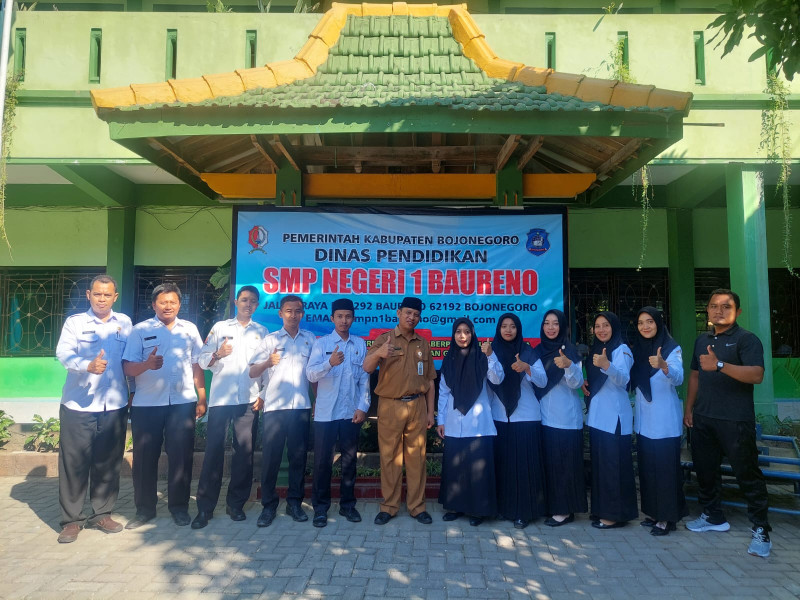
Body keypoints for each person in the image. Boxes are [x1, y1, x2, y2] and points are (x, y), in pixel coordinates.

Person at [683, 289, 771, 557]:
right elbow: (695, 376)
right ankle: (713, 516)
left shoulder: (747, 339)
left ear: (738, 312)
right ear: (707, 310)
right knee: (706, 472)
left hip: (736, 421)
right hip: (704, 418)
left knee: (748, 475)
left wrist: (720, 364)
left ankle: (761, 530)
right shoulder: (702, 340)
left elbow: (756, 375)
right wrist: (689, 409)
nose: (718, 311)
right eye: (713, 306)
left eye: (726, 306)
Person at [54, 274, 132, 543]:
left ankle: (102, 513)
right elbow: (63, 354)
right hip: (79, 405)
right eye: (97, 294)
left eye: (107, 295)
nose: (102, 299)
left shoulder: (125, 323)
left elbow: (130, 360)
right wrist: (86, 365)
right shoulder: (75, 323)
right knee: (74, 463)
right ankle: (72, 520)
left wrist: (134, 389)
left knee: (108, 462)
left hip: (114, 405)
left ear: (115, 297)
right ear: (88, 295)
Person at [122, 282, 207, 529]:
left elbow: (197, 364)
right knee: (144, 459)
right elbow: (127, 367)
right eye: (163, 302)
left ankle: (179, 508)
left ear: (179, 304)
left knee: (181, 457)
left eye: (172, 302)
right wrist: (146, 365)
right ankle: (144, 510)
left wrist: (202, 396)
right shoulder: (140, 330)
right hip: (147, 404)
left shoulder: (189, 329)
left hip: (182, 402)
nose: (168, 306)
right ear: (154, 305)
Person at [191, 285, 268, 529]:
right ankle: (205, 508)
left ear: (257, 305)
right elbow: (202, 360)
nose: (248, 304)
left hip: (248, 400)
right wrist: (218, 354)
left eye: (252, 301)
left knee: (244, 453)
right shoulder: (220, 328)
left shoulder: (262, 332)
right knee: (213, 452)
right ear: (236, 302)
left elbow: (266, 367)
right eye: (244, 300)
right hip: (221, 401)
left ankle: (236, 505)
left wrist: (263, 394)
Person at [363, 296, 436, 526]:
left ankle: (417, 507)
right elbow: (367, 367)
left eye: (416, 315)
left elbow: (430, 381)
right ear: (398, 313)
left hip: (417, 405)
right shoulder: (384, 339)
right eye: (408, 313)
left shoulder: (423, 344)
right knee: (390, 458)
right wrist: (379, 354)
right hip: (390, 405)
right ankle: (389, 507)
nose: (411, 318)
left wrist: (430, 412)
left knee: (417, 459)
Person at [248, 294, 315, 527]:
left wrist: (316, 401)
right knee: (271, 459)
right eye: (288, 311)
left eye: (297, 311)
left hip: (301, 407)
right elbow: (252, 372)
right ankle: (268, 506)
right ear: (280, 313)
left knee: (298, 458)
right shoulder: (270, 340)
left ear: (302, 313)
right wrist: (268, 362)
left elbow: (314, 374)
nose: (293, 315)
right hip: (275, 408)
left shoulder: (310, 339)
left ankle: (294, 503)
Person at [305, 298, 370, 528]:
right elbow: (310, 374)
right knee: (322, 462)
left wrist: (363, 407)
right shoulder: (321, 344)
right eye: (340, 316)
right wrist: (329, 363)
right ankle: (320, 508)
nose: (344, 321)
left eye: (348, 316)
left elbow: (364, 379)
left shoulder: (359, 344)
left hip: (350, 412)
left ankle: (348, 505)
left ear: (353, 318)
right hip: (326, 414)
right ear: (332, 318)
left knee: (349, 461)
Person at [438, 317, 503, 526]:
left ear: (473, 334)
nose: (462, 336)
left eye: (467, 331)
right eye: (458, 331)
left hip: (478, 424)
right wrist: (441, 420)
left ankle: (478, 510)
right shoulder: (449, 359)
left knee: (477, 468)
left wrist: (490, 355)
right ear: (453, 334)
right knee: (456, 466)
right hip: (454, 422)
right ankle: (455, 506)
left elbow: (497, 378)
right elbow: (443, 392)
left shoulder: (483, 357)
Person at [631, 307, 688, 536]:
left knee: (665, 471)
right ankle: (653, 513)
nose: (645, 326)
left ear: (658, 323)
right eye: (641, 322)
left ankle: (667, 518)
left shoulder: (672, 348)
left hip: (664, 422)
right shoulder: (638, 350)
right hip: (644, 422)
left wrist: (664, 366)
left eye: (650, 322)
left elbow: (679, 377)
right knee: (648, 470)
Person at [488, 313, 548, 529]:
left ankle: (524, 512)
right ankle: (505, 508)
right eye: (504, 326)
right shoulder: (492, 350)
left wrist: (527, 368)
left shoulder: (528, 351)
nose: (508, 330)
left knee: (524, 467)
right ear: (499, 329)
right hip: (500, 416)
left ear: (518, 329)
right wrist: (490, 357)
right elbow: (494, 380)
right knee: (504, 465)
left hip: (526, 417)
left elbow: (542, 381)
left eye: (512, 326)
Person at [531, 309, 587, 528]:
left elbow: (576, 383)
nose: (551, 327)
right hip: (544, 417)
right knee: (550, 464)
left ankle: (564, 510)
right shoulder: (538, 351)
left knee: (565, 465)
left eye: (555, 323)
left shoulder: (569, 351)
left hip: (566, 419)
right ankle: (552, 505)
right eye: (547, 323)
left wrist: (569, 366)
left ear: (562, 327)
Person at [582, 311, 637, 529]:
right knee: (601, 467)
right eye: (597, 326)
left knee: (614, 468)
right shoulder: (596, 350)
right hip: (597, 418)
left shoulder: (621, 349)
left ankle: (614, 515)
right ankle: (601, 510)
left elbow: (623, 379)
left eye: (606, 325)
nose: (601, 330)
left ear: (614, 327)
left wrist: (607, 365)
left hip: (614, 418)